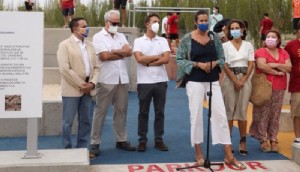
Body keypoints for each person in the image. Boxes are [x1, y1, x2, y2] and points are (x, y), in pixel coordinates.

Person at [176, 10, 246, 169]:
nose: (204, 23)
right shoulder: (187, 39)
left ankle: (228, 154)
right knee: (196, 115)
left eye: (206, 20)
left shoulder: (214, 38)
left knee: (220, 115)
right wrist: (196, 64)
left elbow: (222, 58)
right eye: (201, 20)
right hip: (194, 81)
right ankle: (198, 152)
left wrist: (215, 64)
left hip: (212, 80)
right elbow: (180, 59)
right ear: (195, 22)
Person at [90, 10, 135, 157]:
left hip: (122, 79)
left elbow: (129, 52)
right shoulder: (98, 37)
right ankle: (95, 142)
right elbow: (104, 56)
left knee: (121, 110)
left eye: (118, 23)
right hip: (106, 79)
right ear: (106, 22)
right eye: (114, 23)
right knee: (100, 111)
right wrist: (120, 52)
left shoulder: (121, 36)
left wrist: (115, 51)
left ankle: (121, 139)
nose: (116, 25)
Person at [57, 17, 100, 152]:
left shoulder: (90, 45)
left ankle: (82, 148)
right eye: (84, 26)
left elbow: (97, 67)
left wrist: (92, 83)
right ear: (75, 29)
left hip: (88, 88)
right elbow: (65, 69)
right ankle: (67, 149)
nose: (87, 28)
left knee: (85, 121)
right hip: (72, 89)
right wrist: (82, 85)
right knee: (68, 122)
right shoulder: (64, 45)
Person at [249, 29, 291, 152]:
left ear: (278, 40)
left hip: (280, 86)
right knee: (263, 112)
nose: (270, 39)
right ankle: (263, 139)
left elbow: (289, 67)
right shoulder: (261, 51)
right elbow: (262, 65)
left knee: (275, 114)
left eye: (273, 37)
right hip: (264, 86)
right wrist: (277, 72)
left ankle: (273, 138)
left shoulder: (283, 52)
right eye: (268, 36)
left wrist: (273, 64)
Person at [133, 14, 170, 152]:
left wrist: (148, 61)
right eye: (154, 22)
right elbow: (139, 59)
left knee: (160, 112)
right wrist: (156, 57)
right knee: (143, 112)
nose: (157, 24)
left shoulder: (163, 40)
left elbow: (166, 59)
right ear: (147, 24)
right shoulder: (138, 41)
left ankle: (158, 140)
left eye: (158, 22)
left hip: (161, 81)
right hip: (144, 82)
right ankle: (142, 140)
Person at [221, 20, 254, 156]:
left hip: (245, 78)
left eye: (237, 28)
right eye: (232, 28)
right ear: (229, 31)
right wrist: (235, 80)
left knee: (242, 112)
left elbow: (251, 63)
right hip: (230, 78)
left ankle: (242, 141)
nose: (235, 30)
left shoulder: (248, 45)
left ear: (242, 30)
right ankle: (228, 143)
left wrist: (243, 79)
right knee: (229, 111)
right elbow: (224, 64)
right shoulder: (225, 46)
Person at [284, 21, 300, 144]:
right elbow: (285, 62)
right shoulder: (291, 45)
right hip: (297, 84)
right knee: (297, 111)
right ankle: (298, 137)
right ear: (298, 30)